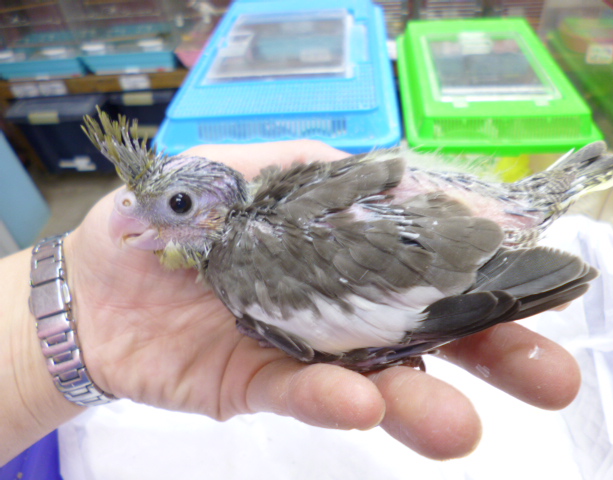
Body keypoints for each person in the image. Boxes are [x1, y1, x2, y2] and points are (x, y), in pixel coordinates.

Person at [0, 140, 581, 466]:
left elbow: (396, 319)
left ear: (218, 204)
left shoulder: (244, 268)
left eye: (177, 205)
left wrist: (375, 348)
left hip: (467, 245)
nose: (127, 221)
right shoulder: (251, 247)